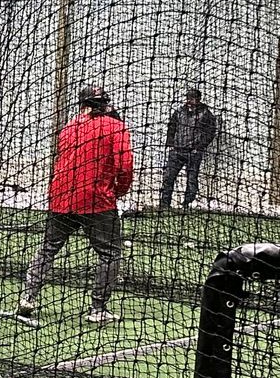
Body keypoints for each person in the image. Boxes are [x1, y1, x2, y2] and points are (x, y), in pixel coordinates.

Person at [18, 83, 134, 325]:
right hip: (96, 199)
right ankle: (97, 309)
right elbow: (125, 166)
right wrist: (119, 191)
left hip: (61, 196)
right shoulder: (115, 126)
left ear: (82, 104)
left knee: (49, 248)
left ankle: (27, 297)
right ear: (105, 104)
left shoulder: (69, 126)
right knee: (110, 253)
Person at [158, 88, 217, 211]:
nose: (189, 101)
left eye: (192, 99)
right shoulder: (179, 112)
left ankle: (187, 204)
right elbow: (171, 127)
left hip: (193, 152)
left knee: (191, 179)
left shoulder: (206, 114)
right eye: (188, 98)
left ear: (198, 99)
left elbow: (210, 132)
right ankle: (164, 204)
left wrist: (199, 147)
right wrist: (170, 144)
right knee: (168, 177)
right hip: (177, 151)